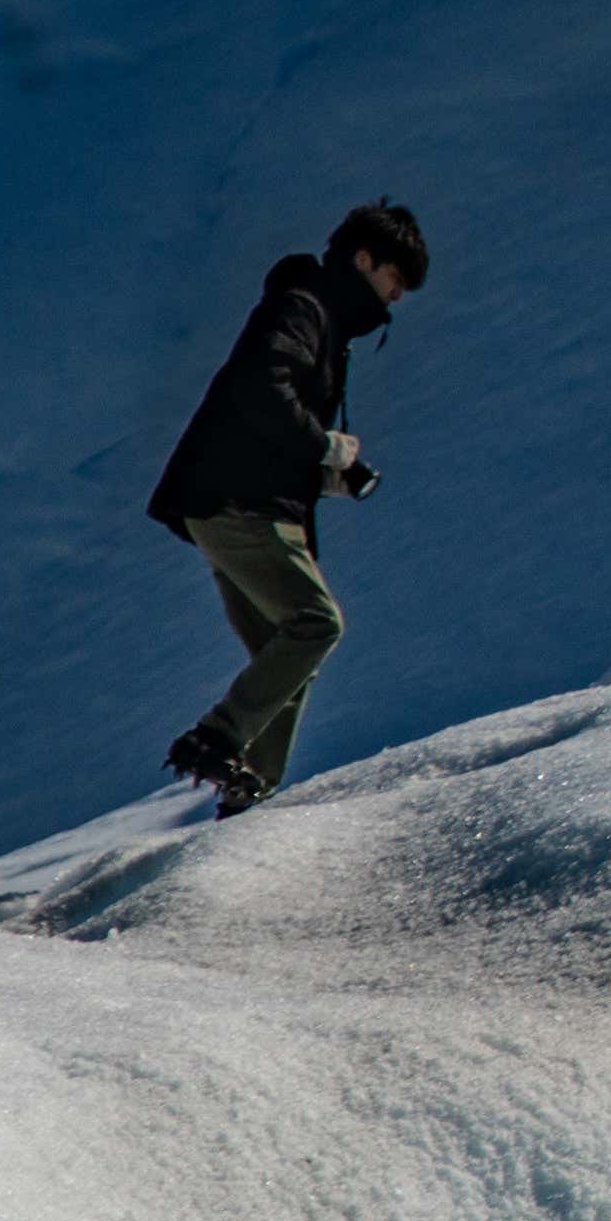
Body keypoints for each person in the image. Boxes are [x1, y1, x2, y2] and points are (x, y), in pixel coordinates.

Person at [146, 199, 428, 817]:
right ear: (364, 258)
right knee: (314, 625)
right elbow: (261, 390)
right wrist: (325, 445)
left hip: (238, 500)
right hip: (237, 503)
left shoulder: (319, 317)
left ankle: (248, 791)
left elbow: (268, 423)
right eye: (395, 279)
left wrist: (329, 478)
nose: (397, 297)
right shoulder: (304, 307)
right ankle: (218, 740)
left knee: (287, 652)